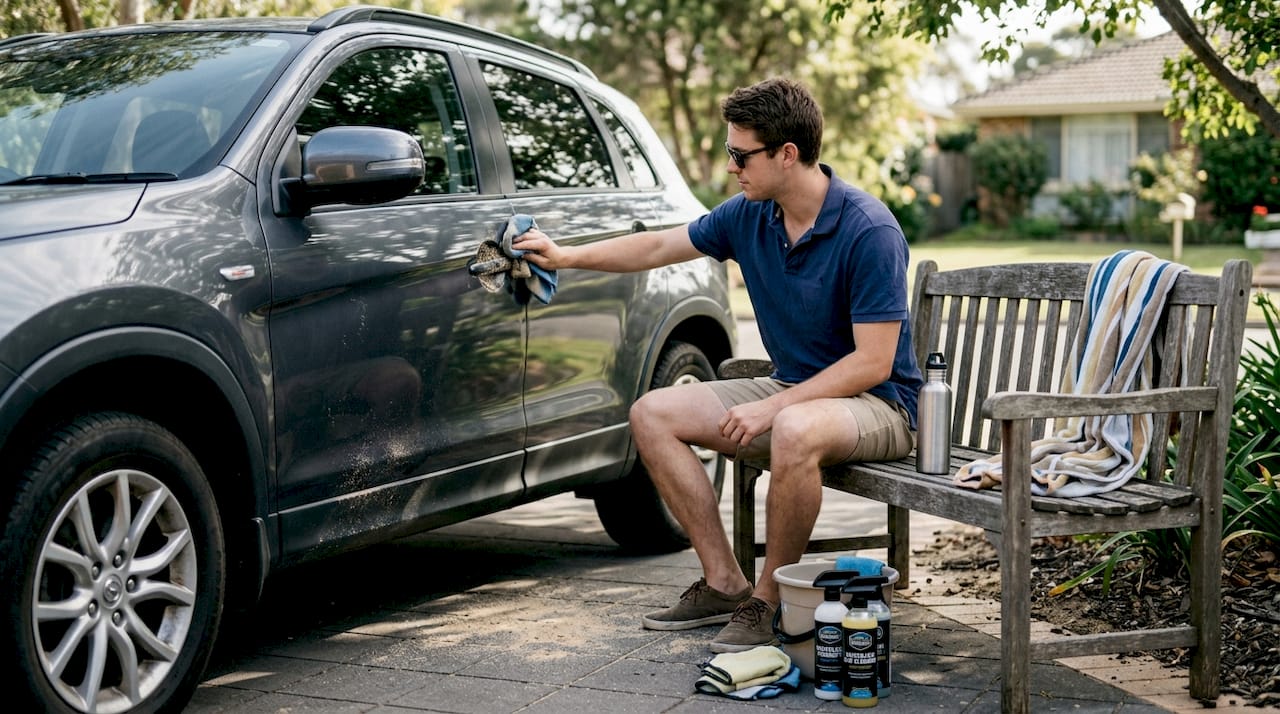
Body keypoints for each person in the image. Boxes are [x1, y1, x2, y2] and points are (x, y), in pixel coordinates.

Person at [512, 77, 922, 652]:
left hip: (881, 406)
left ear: (787, 154)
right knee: (653, 413)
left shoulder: (868, 229)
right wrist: (566, 256)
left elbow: (873, 362)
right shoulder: (750, 215)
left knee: (795, 426)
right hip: (795, 389)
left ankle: (769, 602)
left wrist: (774, 406)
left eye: (740, 153)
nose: (731, 166)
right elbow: (656, 247)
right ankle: (725, 581)